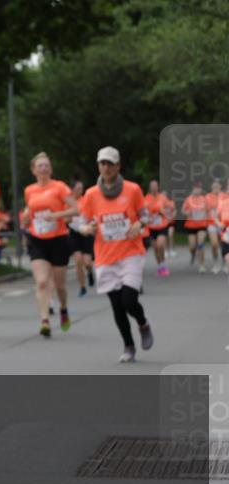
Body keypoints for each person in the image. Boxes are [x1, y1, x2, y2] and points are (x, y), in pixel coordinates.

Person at [79, 147, 153, 363]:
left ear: (118, 166)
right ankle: (128, 345)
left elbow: (145, 216)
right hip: (105, 257)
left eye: (110, 163)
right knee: (117, 305)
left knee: (129, 300)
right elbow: (81, 223)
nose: (106, 167)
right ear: (98, 166)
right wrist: (87, 229)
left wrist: (139, 224)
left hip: (131, 253)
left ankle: (143, 323)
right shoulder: (91, 194)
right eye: (102, 163)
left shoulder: (132, 189)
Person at [21, 153, 78, 337]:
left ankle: (63, 308)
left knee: (60, 285)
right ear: (33, 170)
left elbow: (76, 209)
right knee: (42, 282)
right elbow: (28, 214)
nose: (44, 168)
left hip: (58, 239)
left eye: (46, 165)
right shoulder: (29, 190)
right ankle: (44, 320)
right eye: (40, 166)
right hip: (37, 239)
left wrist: (55, 216)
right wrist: (26, 218)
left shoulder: (59, 187)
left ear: (51, 169)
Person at [68, 180, 95, 297]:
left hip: (86, 232)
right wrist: (69, 217)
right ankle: (82, 286)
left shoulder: (86, 200)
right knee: (78, 260)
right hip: (74, 233)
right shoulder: (68, 202)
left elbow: (92, 215)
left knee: (87, 262)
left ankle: (90, 272)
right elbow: (64, 218)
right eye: (78, 188)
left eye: (81, 188)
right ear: (72, 189)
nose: (80, 191)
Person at [143, 180, 175, 277]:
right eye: (152, 186)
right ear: (150, 188)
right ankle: (160, 266)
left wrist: (164, 212)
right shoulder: (146, 199)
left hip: (162, 226)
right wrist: (149, 217)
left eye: (155, 186)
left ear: (158, 187)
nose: (154, 188)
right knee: (156, 248)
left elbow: (170, 209)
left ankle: (164, 264)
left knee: (160, 245)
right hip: (151, 227)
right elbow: (143, 212)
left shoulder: (163, 198)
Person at [181, 182, 210, 272]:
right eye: (196, 188)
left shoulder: (204, 199)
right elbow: (183, 210)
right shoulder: (188, 199)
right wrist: (187, 213)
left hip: (202, 225)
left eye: (199, 188)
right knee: (192, 246)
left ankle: (202, 265)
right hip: (191, 225)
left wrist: (206, 218)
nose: (197, 190)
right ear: (193, 189)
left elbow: (208, 211)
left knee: (200, 243)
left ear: (201, 190)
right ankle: (193, 254)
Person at [206, 180, 227, 274]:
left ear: (220, 187)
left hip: (223, 223)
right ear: (211, 188)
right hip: (212, 223)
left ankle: (225, 263)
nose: (216, 189)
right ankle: (216, 262)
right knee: (214, 244)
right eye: (214, 187)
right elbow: (205, 209)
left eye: (217, 187)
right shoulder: (208, 197)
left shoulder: (224, 196)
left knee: (225, 244)